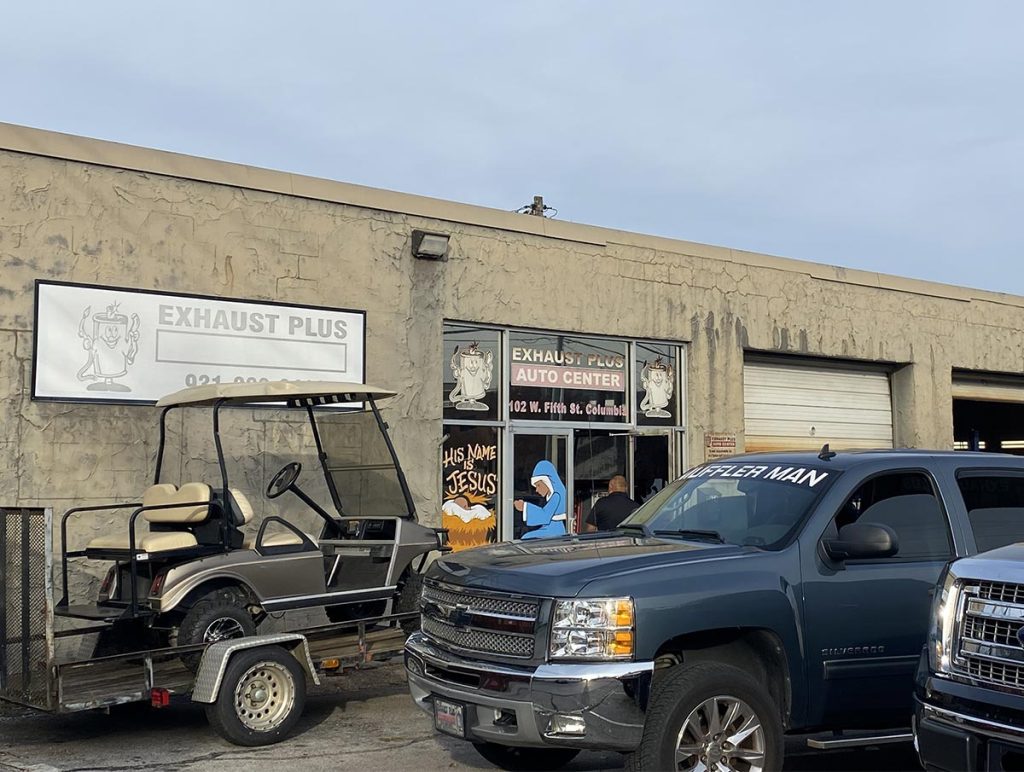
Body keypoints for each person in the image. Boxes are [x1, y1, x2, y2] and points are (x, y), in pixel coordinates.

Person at [514, 460, 568, 540]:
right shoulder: (549, 497)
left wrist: (524, 507)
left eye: (538, 485)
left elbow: (545, 516)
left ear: (547, 482)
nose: (537, 490)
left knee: (526, 538)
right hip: (549, 528)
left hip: (554, 530)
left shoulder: (556, 496)